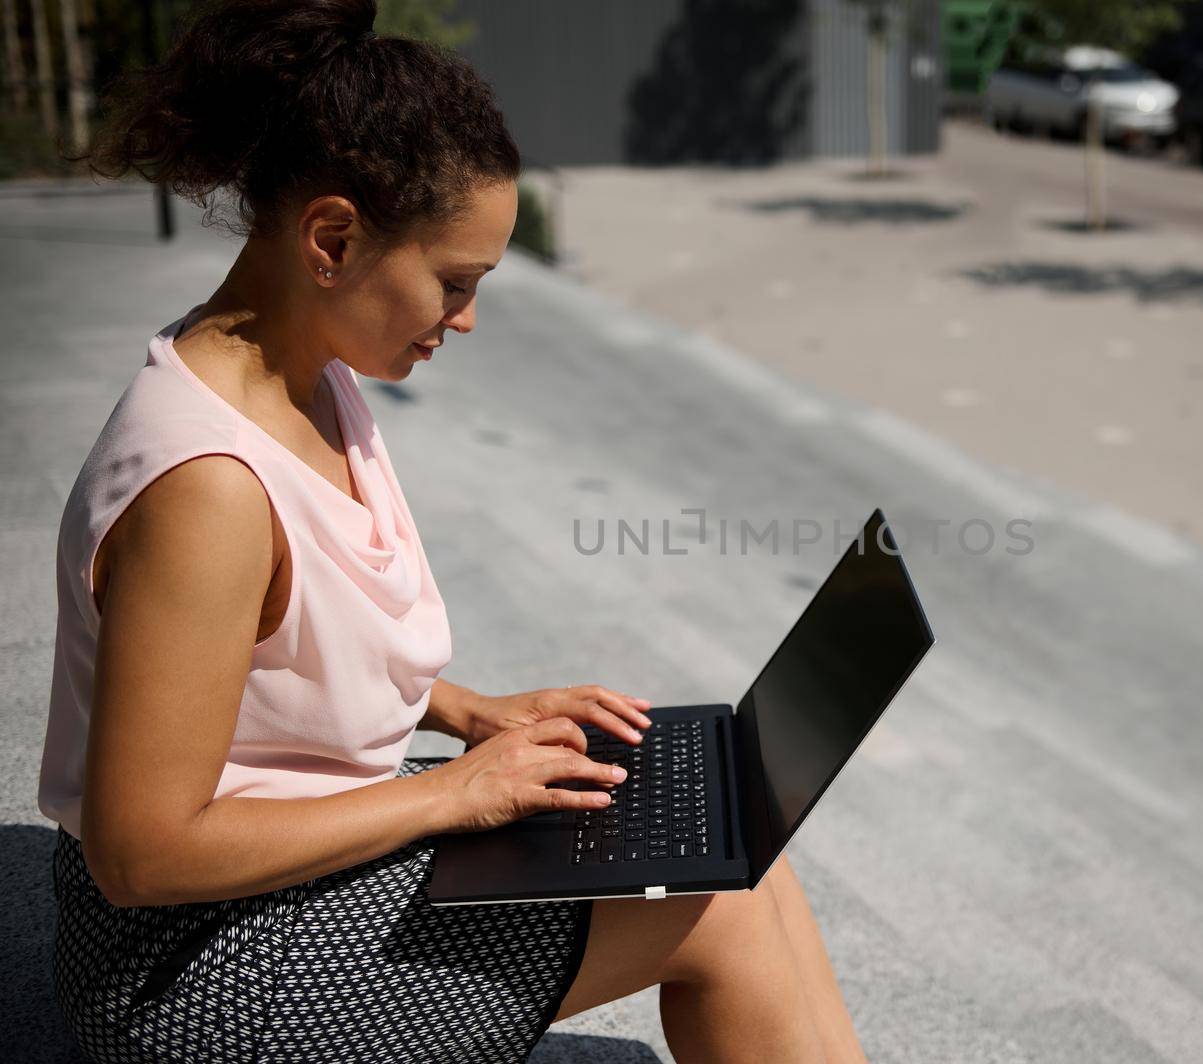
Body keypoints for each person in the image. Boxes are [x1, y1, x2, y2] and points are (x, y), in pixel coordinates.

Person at [38, 1, 867, 1061]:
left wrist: (466, 711)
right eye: (454, 281)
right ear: (332, 239)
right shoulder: (208, 489)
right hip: (195, 968)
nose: (465, 318)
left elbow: (261, 650)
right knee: (718, 898)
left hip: (281, 884)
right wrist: (449, 795)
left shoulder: (300, 382)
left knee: (738, 839)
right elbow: (141, 854)